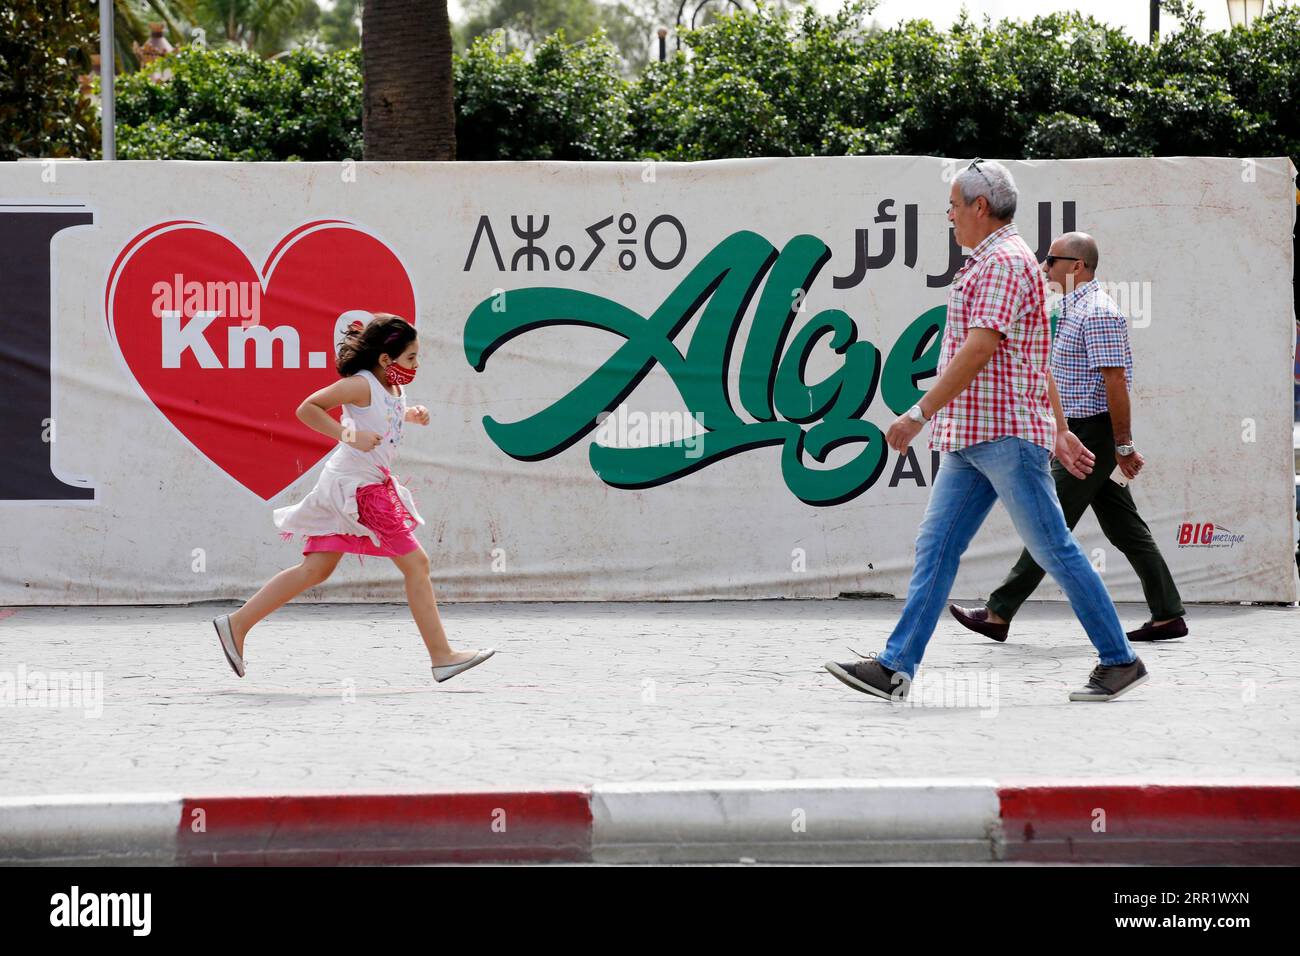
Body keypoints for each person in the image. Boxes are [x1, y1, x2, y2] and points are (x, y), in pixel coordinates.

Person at [824, 159, 1146, 703]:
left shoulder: (1002, 261)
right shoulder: (993, 261)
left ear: (979, 206)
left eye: (953, 205)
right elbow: (1036, 358)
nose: (948, 216)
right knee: (936, 547)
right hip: (973, 437)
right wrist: (1061, 430)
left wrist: (918, 413)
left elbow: (982, 346)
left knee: (1054, 550)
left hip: (1002, 436)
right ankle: (896, 666)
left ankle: (1120, 659)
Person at [211, 313, 494, 684]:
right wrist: (348, 435)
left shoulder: (391, 388)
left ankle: (237, 624)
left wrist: (411, 414)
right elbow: (307, 408)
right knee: (417, 565)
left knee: (317, 569)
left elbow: (383, 416)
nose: (416, 365)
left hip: (360, 482)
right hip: (357, 489)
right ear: (385, 360)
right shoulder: (360, 385)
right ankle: (442, 656)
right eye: (411, 358)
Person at [950, 232, 1186, 644]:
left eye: (1052, 259)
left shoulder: (1098, 313)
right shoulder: (1072, 308)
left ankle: (999, 611)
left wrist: (1122, 446)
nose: (1044, 266)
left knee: (1047, 524)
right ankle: (1168, 614)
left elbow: (1116, 384)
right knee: (1125, 528)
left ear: (1077, 266)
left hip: (1090, 434)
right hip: (1079, 432)